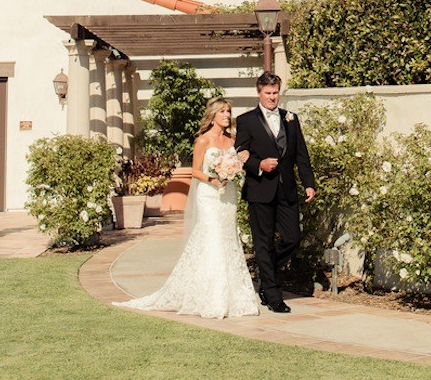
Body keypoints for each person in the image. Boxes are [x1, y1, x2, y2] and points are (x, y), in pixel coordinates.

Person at [114, 98, 259, 318]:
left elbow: (238, 162)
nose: (227, 116)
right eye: (222, 112)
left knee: (228, 239)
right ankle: (212, 297)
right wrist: (213, 179)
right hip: (209, 195)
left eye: (229, 112)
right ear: (212, 115)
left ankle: (234, 296)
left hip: (228, 195)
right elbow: (195, 171)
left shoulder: (232, 139)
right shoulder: (202, 140)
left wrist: (233, 170)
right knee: (212, 239)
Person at [235, 72, 316, 314]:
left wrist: (308, 183)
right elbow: (240, 152)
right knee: (263, 242)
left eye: (275, 92)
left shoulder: (291, 119)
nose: (272, 97)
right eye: (268, 93)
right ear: (259, 92)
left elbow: (301, 154)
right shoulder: (246, 120)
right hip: (260, 189)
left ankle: (265, 270)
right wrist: (258, 165)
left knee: (293, 238)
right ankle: (272, 294)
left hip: (287, 188)